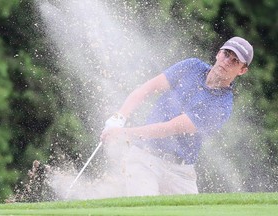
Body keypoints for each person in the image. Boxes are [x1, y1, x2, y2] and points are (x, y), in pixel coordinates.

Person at [100, 36, 254, 196]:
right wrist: (119, 118)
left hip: (180, 171)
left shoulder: (222, 106)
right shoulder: (192, 66)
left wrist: (123, 134)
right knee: (145, 210)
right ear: (218, 53)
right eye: (226, 54)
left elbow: (168, 128)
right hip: (144, 157)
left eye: (235, 61)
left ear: (242, 70)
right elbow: (147, 88)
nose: (227, 61)